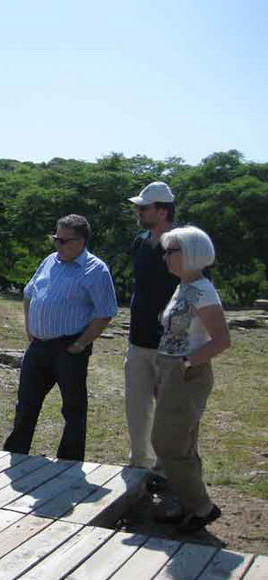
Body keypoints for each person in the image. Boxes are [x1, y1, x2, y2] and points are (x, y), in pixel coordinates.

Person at [3, 214, 118, 461]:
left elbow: (105, 312)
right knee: (26, 404)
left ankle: (69, 461)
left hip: (69, 347)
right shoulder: (49, 261)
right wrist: (30, 327)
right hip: (39, 346)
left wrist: (80, 344)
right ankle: (15, 453)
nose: (59, 245)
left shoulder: (96, 270)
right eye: (56, 239)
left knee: (73, 408)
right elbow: (28, 293)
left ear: (82, 241)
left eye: (65, 241)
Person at [152, 225, 230, 533]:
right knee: (182, 444)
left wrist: (185, 363)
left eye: (172, 251)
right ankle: (189, 503)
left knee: (167, 442)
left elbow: (221, 340)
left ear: (192, 254)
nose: (166, 257)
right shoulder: (185, 286)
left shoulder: (201, 290)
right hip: (172, 372)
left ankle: (202, 507)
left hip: (185, 375)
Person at [125, 182, 179, 484]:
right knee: (137, 407)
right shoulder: (140, 241)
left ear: (162, 211)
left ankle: (169, 469)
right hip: (138, 340)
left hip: (171, 345)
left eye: (143, 207)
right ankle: (139, 464)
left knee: (170, 412)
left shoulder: (183, 244)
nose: (138, 211)